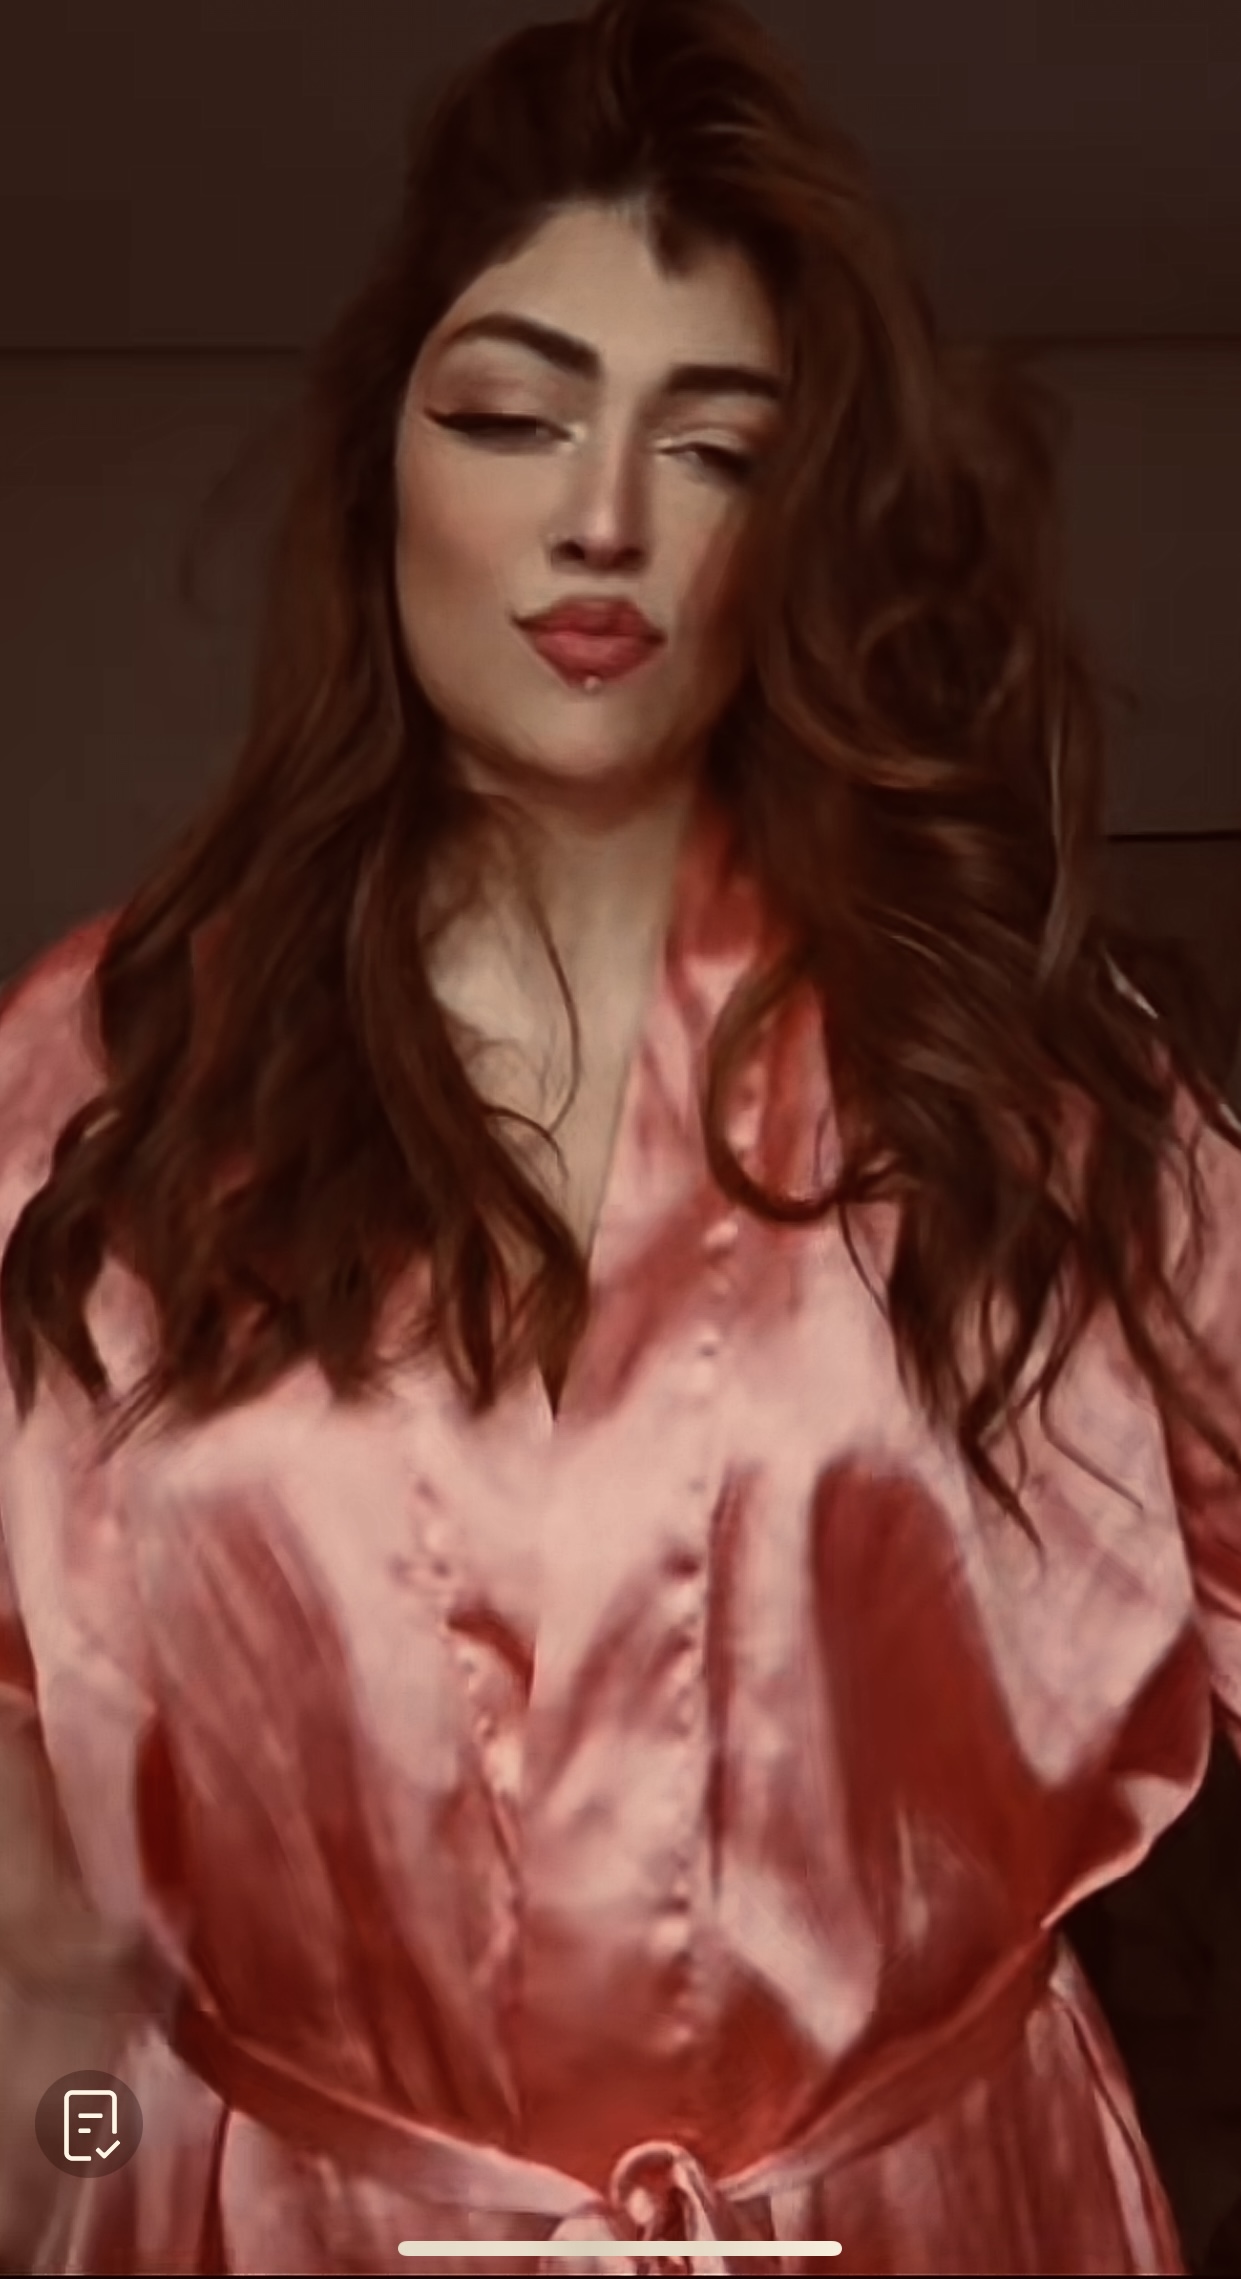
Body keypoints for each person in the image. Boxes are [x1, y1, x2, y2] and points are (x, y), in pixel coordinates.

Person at [0, 0, 1238, 2270]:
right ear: (381, 463)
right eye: (512, 413)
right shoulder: (99, 1063)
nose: (602, 517)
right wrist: (54, 2123)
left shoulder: (1033, 1070)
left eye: (717, 446)